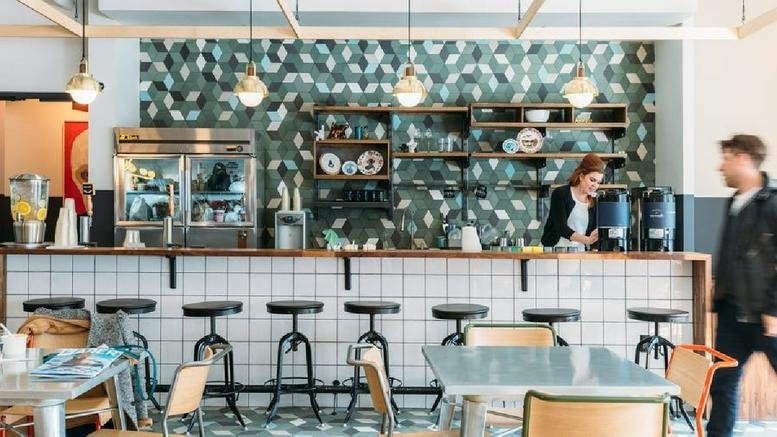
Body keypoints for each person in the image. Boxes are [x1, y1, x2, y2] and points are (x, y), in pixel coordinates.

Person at [707, 134, 777, 437]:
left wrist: (774, 309)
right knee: (722, 384)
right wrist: (717, 299)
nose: (720, 166)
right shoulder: (735, 201)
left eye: (726, 158)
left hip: (766, 314)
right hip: (733, 313)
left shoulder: (772, 204)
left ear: (744, 159)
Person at [540, 153, 603, 250]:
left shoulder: (594, 202)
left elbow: (593, 232)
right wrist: (587, 240)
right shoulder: (560, 194)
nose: (595, 185)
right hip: (553, 251)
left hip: (579, 253)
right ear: (581, 176)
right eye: (592, 180)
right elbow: (561, 229)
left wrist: (595, 250)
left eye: (598, 182)